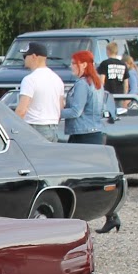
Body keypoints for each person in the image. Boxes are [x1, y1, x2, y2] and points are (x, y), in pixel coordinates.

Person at [60, 50, 122, 234]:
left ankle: (81, 216)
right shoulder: (96, 82)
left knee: (77, 177)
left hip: (83, 133)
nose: (71, 66)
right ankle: (111, 215)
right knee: (97, 178)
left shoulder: (82, 84)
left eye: (74, 63)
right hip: (94, 132)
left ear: (83, 64)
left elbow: (76, 111)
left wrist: (54, 111)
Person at [14, 42, 64, 141]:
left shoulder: (30, 79)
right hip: (53, 129)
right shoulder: (57, 79)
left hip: (35, 128)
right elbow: (60, 107)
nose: (24, 59)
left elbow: (22, 110)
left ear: (33, 56)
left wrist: (12, 127)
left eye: (25, 56)